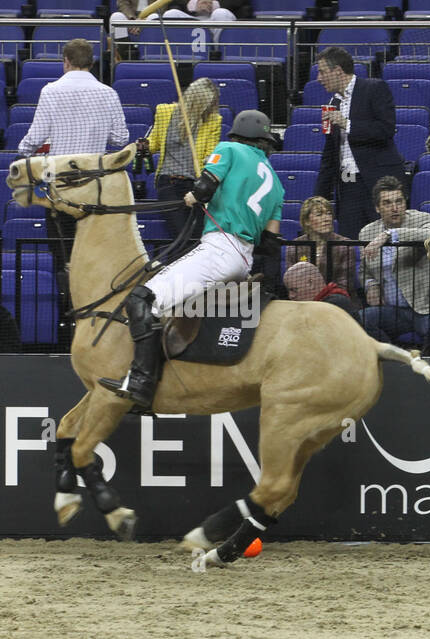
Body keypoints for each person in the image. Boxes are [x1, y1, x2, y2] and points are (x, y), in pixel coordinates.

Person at [99, 110, 284, 408]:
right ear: (265, 142)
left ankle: (141, 384)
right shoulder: (276, 183)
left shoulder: (228, 149)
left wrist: (194, 197)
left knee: (141, 299)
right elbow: (271, 245)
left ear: (237, 133)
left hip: (217, 251)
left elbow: (205, 185)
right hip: (243, 262)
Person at [17, 39, 130, 336]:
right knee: (96, 255)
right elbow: (121, 137)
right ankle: (98, 322)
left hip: (60, 190)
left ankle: (68, 324)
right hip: (95, 189)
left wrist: (22, 148)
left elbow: (35, 136)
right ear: (91, 62)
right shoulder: (108, 93)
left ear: (65, 61)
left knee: (63, 255)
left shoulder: (51, 91)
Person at [311, 46, 406, 241]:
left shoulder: (374, 88)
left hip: (378, 184)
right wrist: (318, 197)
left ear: (337, 70)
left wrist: (347, 124)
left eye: (322, 72)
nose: (319, 78)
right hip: (348, 187)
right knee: (349, 244)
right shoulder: (333, 103)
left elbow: (385, 130)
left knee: (384, 244)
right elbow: (329, 154)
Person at [357, 176, 430, 353]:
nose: (395, 208)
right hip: (391, 310)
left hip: (426, 308)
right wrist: (371, 285)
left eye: (399, 201)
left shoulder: (422, 219)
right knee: (360, 320)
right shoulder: (367, 232)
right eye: (387, 203)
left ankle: (426, 362)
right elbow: (364, 270)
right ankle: (396, 356)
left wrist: (391, 234)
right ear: (377, 208)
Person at [142, 77, 221, 245]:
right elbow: (154, 143)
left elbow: (211, 153)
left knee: (197, 238)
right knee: (180, 236)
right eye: (207, 103)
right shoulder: (164, 112)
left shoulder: (213, 120)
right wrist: (143, 146)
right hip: (168, 183)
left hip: (195, 186)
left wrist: (209, 158)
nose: (210, 107)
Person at [294, 195, 355, 300]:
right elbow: (293, 281)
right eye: (319, 214)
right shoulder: (296, 246)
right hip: (303, 301)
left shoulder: (344, 245)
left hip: (336, 301)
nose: (327, 219)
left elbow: (344, 284)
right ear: (307, 221)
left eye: (329, 214)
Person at [284, 261, 358, 319]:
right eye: (289, 291)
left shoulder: (336, 304)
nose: (291, 296)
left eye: (294, 290)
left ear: (311, 283)